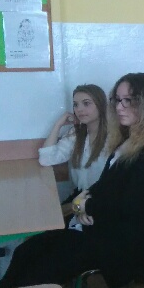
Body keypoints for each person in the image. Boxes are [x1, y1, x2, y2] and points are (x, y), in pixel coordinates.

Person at [2, 73, 144, 288]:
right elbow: (106, 185)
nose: (119, 107)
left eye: (128, 100)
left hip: (129, 239)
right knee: (26, 251)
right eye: (117, 100)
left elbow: (129, 204)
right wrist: (82, 203)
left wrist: (86, 206)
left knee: (39, 272)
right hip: (105, 226)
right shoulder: (130, 140)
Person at [38, 84, 109, 224]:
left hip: (100, 200)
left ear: (100, 105)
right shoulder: (77, 134)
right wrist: (58, 124)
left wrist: (83, 207)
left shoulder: (112, 138)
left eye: (86, 103)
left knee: (51, 223)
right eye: (76, 105)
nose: (79, 109)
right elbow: (46, 159)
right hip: (79, 197)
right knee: (45, 219)